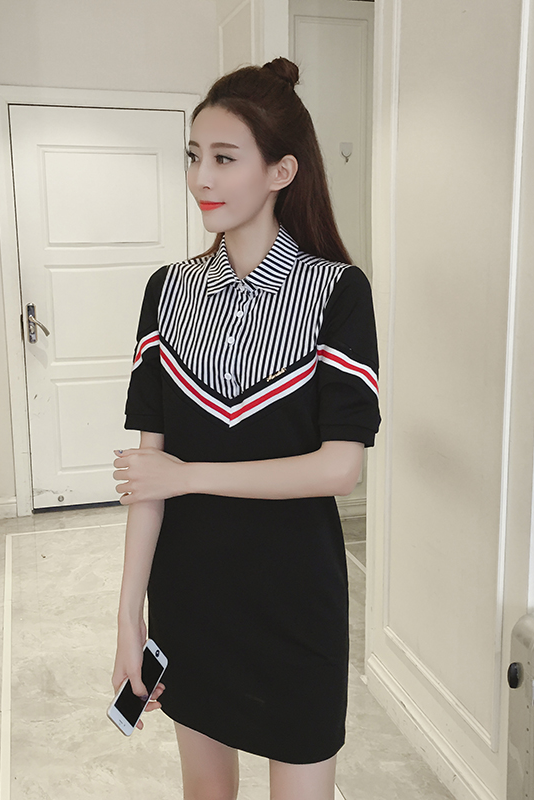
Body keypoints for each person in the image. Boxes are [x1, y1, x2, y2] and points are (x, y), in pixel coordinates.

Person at [111, 57, 381, 800]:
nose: (201, 177)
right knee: (206, 792)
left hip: (296, 602)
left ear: (281, 171)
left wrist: (190, 475)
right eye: (194, 155)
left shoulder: (339, 292)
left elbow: (339, 468)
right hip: (189, 599)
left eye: (225, 158)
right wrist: (128, 616)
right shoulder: (165, 291)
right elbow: (148, 480)